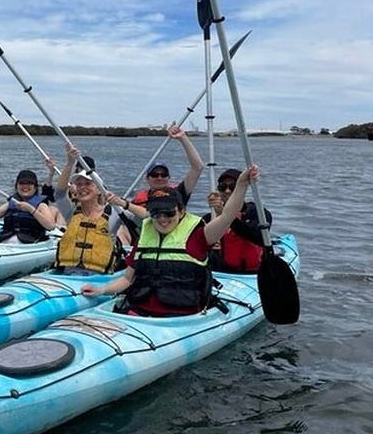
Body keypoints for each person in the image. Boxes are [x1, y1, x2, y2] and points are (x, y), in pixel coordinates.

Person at [81, 165, 261, 317]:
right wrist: (102, 290)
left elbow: (227, 215)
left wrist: (242, 183)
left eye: (169, 213)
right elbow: (128, 279)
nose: (162, 219)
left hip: (180, 317)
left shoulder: (199, 235)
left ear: (181, 211)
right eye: (156, 213)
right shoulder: (146, 234)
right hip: (138, 312)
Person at [52, 146, 127, 275]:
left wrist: (125, 204)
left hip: (98, 278)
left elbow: (146, 217)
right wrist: (69, 163)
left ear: (99, 189)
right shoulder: (71, 213)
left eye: (88, 184)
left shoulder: (114, 214)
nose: (82, 188)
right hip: (68, 274)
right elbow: (59, 194)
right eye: (79, 184)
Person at [203, 168, 273, 273]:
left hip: (252, 272)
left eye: (233, 187)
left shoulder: (258, 213)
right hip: (221, 272)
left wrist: (226, 216)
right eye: (223, 187)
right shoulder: (210, 217)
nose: (227, 191)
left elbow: (258, 237)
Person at [130, 124, 204, 209]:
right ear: (147, 178)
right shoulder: (138, 201)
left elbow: (198, 167)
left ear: (168, 177)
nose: (159, 178)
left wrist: (183, 138)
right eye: (154, 175)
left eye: (164, 174)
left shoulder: (178, 193)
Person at [0, 169, 56, 243]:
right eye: (21, 183)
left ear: (35, 188)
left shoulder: (41, 206)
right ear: (16, 186)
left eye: (29, 183)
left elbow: (51, 226)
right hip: (7, 239)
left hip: (31, 241)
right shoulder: (12, 203)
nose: (25, 186)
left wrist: (30, 209)